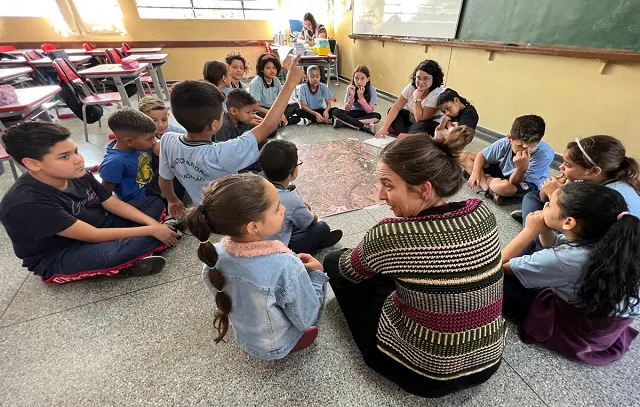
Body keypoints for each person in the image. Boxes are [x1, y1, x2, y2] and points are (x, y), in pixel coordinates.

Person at [323, 130, 504, 398]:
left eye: (388, 185)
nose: (380, 195)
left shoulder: (390, 234)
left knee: (332, 261)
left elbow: (349, 270)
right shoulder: (482, 212)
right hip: (488, 362)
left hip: (424, 374)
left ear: (424, 189)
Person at [0, 122, 180, 284]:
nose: (78, 159)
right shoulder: (27, 203)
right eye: (64, 157)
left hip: (102, 224)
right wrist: (151, 230)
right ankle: (133, 253)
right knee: (116, 254)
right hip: (63, 253)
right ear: (32, 164)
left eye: (75, 151)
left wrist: (153, 225)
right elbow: (92, 235)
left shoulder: (76, 172)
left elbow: (111, 203)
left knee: (152, 203)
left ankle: (144, 244)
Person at [185, 173, 328, 359]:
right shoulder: (286, 265)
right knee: (310, 316)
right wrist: (316, 275)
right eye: (277, 208)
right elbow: (305, 318)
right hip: (276, 345)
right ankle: (291, 343)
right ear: (253, 227)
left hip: (245, 338)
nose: (283, 209)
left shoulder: (212, 257)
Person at [501, 182, 640, 365]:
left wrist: (529, 231)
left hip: (573, 328)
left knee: (498, 281)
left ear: (569, 222)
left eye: (550, 204)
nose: (545, 205)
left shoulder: (566, 259)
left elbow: (499, 266)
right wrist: (544, 228)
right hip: (603, 325)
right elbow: (555, 244)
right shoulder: (615, 243)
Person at [158, 54, 306, 219]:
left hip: (205, 209)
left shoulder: (167, 140)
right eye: (222, 114)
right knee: (276, 177)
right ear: (214, 124)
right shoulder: (221, 153)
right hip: (235, 212)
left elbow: (164, 180)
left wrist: (172, 201)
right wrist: (290, 83)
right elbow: (268, 125)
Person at [512, 135, 640, 223]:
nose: (560, 166)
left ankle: (531, 229)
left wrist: (554, 194)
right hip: (587, 225)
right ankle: (531, 218)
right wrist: (557, 189)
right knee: (532, 196)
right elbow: (541, 197)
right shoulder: (597, 177)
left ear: (594, 171)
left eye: (568, 165)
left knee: (537, 224)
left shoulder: (604, 197)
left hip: (600, 248)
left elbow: (573, 226)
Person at [259, 139, 343, 253]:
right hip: (276, 249)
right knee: (322, 227)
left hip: (257, 238)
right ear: (292, 172)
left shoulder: (256, 184)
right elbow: (312, 221)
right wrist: (310, 212)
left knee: (290, 219)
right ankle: (321, 241)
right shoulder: (291, 198)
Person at [462, 114, 554, 205]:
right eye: (520, 146)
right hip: (503, 171)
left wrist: (521, 168)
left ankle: (487, 180)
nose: (525, 151)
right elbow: (481, 155)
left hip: (523, 182)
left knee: (505, 188)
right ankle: (487, 189)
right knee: (464, 156)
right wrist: (475, 172)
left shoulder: (545, 154)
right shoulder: (505, 143)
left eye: (532, 146)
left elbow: (515, 182)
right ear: (510, 138)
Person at [374, 60, 445, 138]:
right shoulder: (411, 87)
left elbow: (419, 119)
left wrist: (417, 98)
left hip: (427, 123)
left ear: (434, 79)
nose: (421, 82)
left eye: (425, 78)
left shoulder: (437, 94)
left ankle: (407, 134)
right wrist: (385, 127)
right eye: (418, 78)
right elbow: (396, 107)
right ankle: (409, 134)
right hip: (413, 119)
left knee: (421, 127)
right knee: (393, 112)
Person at [98, 108, 156, 202]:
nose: (154, 142)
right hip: (139, 200)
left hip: (151, 187)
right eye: (150, 139)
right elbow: (105, 195)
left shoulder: (140, 146)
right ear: (129, 141)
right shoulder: (115, 162)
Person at [137, 96, 187, 203]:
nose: (160, 125)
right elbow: (159, 150)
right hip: (149, 180)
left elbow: (190, 137)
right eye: (154, 120)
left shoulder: (170, 129)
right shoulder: (142, 134)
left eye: (164, 120)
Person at [216, 89, 267, 172]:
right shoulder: (224, 127)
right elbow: (224, 158)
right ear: (234, 111)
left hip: (244, 157)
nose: (252, 116)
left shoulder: (243, 121)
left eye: (252, 112)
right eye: (248, 112)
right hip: (234, 165)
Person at [249, 53, 300, 126]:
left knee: (295, 106)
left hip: (275, 108)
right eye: (268, 68)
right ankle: (283, 121)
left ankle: (277, 122)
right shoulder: (256, 83)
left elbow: (282, 99)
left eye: (274, 68)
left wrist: (280, 112)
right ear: (262, 69)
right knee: (259, 115)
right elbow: (255, 107)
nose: (272, 71)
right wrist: (274, 113)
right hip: (264, 110)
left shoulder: (276, 80)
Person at [329, 66, 380, 134]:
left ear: (367, 79)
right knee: (335, 111)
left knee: (377, 116)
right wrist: (351, 96)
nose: (359, 82)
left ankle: (344, 122)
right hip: (352, 113)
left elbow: (370, 111)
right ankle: (364, 126)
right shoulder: (350, 88)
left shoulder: (372, 90)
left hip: (364, 114)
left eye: (362, 79)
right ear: (353, 78)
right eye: (356, 78)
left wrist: (361, 98)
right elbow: (347, 109)